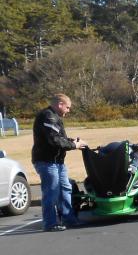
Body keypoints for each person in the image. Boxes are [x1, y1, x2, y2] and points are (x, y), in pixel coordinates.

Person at [32, 94, 89, 232]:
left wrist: (73, 142)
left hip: (58, 162)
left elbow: (59, 137)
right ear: (60, 104)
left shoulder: (54, 117)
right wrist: (74, 145)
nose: (68, 110)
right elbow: (54, 140)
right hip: (47, 162)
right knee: (51, 192)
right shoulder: (48, 117)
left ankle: (69, 219)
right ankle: (50, 224)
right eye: (67, 107)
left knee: (65, 189)